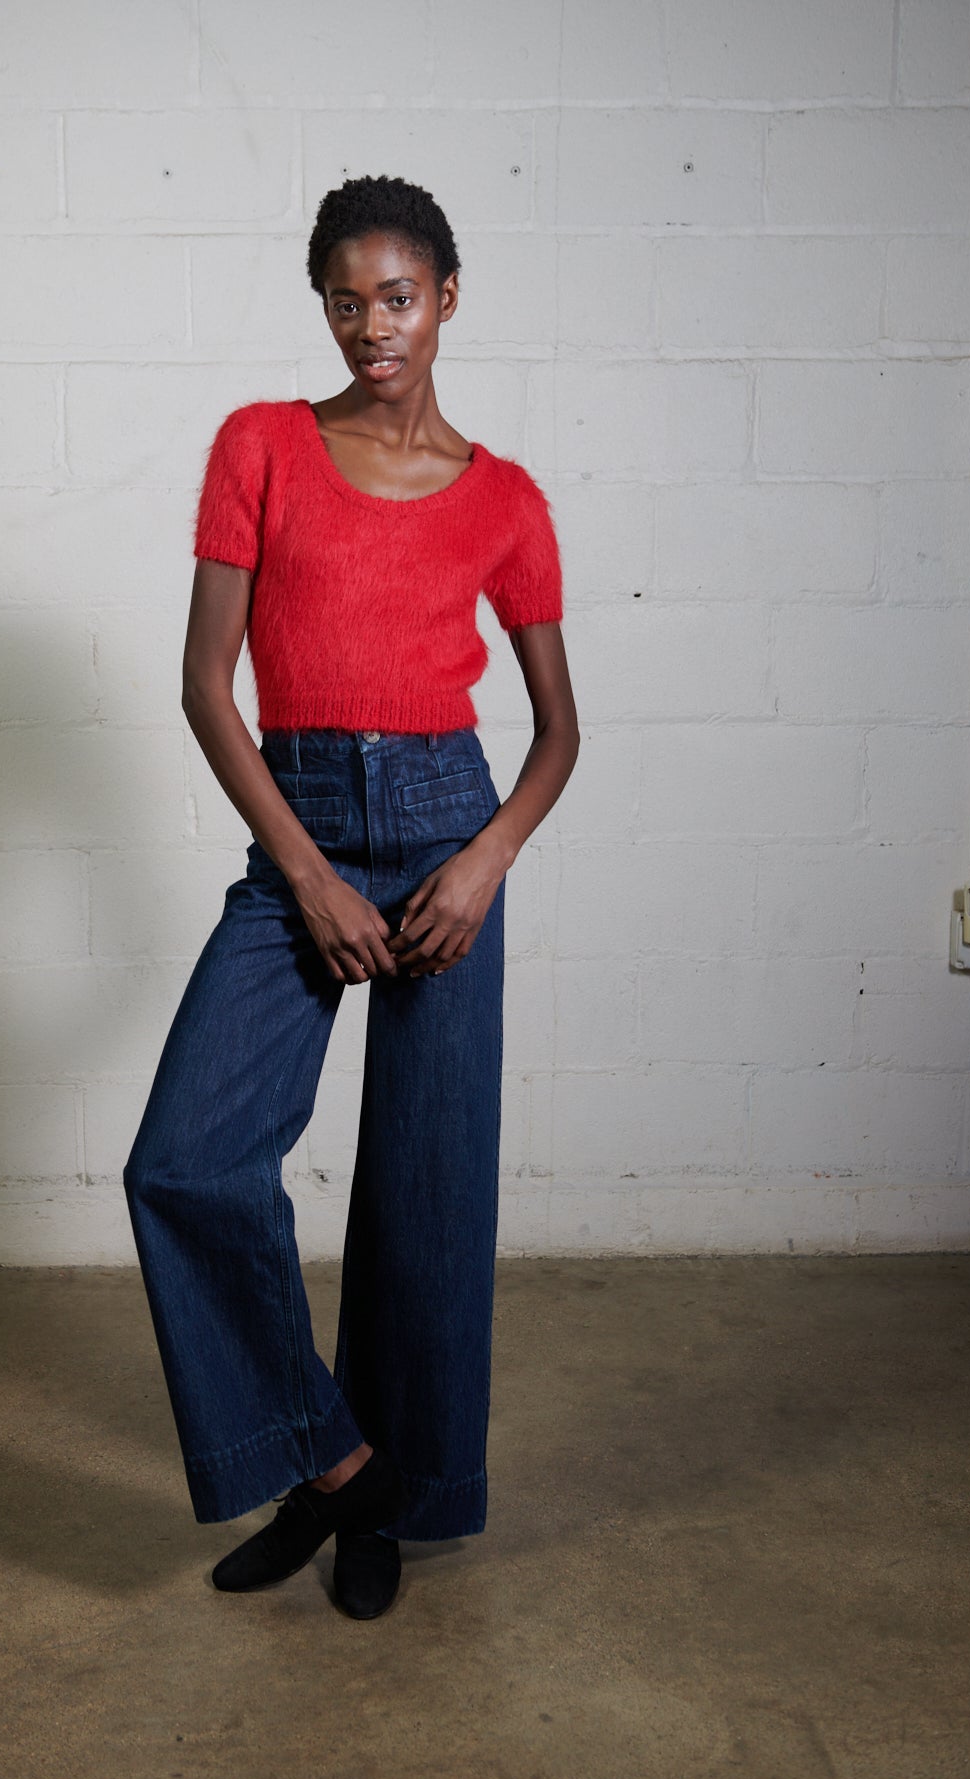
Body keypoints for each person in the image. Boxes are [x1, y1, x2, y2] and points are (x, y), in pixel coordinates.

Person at [123, 173, 579, 1620]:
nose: (372, 325)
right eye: (345, 299)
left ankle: (393, 1507)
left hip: (450, 835)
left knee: (423, 1198)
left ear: (446, 299)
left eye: (398, 297)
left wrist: (487, 859)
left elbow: (559, 731)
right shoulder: (261, 445)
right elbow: (207, 689)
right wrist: (308, 874)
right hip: (302, 828)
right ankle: (342, 1468)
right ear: (321, 305)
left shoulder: (506, 499)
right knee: (185, 1162)